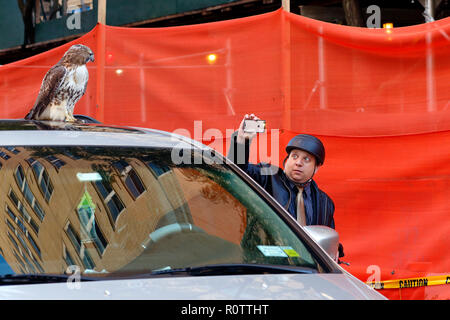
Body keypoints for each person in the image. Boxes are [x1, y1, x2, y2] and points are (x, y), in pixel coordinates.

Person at [227, 114, 335, 228]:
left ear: (316, 167)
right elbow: (236, 172)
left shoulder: (325, 203)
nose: (298, 162)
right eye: (294, 156)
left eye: (306, 159)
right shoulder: (267, 176)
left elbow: (329, 241)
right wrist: (241, 141)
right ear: (287, 159)